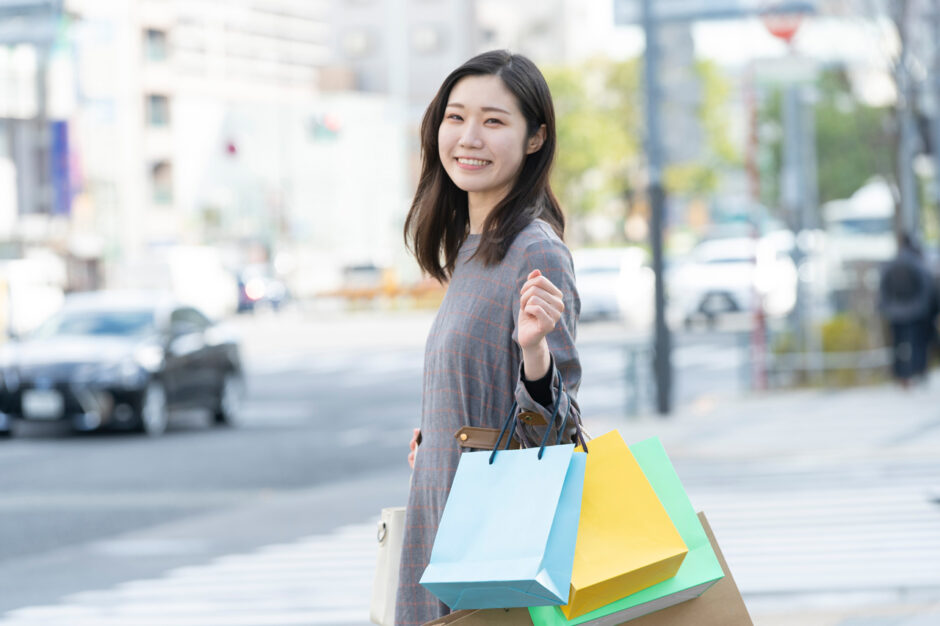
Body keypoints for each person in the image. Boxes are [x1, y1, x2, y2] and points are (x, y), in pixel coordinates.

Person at [396, 50, 583, 625]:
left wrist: (535, 352)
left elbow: (560, 430)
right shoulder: (474, 250)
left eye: (494, 121)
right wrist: (441, 433)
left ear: (534, 139)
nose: (469, 137)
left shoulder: (535, 249)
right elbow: (481, 385)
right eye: (456, 117)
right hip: (445, 514)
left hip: (486, 544)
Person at [879, 233, 935, 387]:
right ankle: (917, 371)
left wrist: (886, 307)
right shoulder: (917, 263)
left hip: (894, 311)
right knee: (916, 343)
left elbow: (883, 287)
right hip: (915, 311)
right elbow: (927, 288)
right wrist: (924, 309)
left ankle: (900, 374)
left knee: (897, 345)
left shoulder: (891, 263)